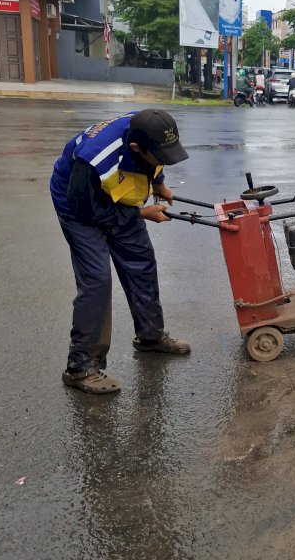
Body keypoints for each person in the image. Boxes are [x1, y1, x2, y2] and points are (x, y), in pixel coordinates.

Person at [49, 110, 192, 395]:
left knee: (142, 263)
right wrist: (141, 215)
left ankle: (150, 337)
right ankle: (80, 367)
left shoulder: (147, 126)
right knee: (97, 281)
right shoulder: (94, 158)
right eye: (160, 156)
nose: (164, 160)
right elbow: (90, 211)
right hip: (78, 204)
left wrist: (159, 183)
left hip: (115, 194)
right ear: (137, 148)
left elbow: (152, 161)